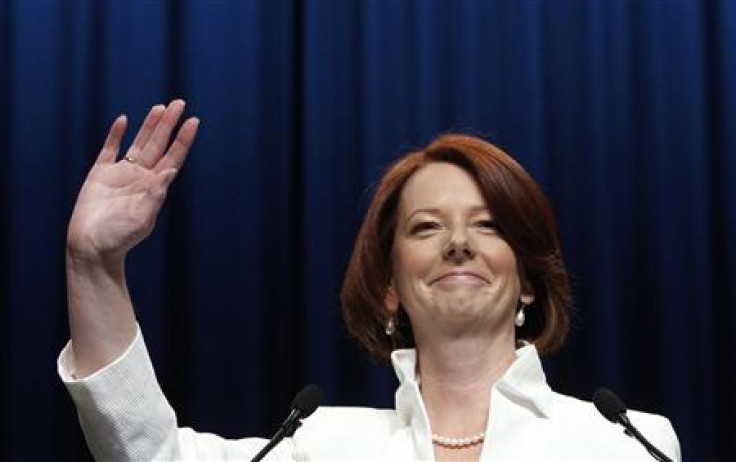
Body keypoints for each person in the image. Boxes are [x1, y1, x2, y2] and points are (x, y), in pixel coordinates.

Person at [59, 100, 681, 461]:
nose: (458, 242)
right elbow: (150, 454)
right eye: (427, 227)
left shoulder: (628, 444)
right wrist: (94, 264)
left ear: (527, 283)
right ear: (388, 286)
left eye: (488, 225)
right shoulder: (319, 444)